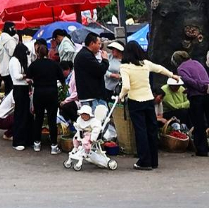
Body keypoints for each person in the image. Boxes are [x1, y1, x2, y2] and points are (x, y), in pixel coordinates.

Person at [120, 42, 179, 170]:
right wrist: (172, 75)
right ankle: (153, 161)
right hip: (148, 100)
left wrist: (121, 96)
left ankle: (144, 161)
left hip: (135, 101)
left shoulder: (125, 67)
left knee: (140, 131)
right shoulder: (146, 64)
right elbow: (160, 68)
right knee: (151, 129)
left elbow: (126, 86)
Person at [27, 40, 65, 154]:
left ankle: (37, 143)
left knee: (38, 118)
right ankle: (54, 145)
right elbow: (62, 79)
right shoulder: (54, 64)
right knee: (52, 119)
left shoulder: (34, 64)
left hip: (39, 93)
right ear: (48, 53)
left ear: (37, 53)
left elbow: (28, 79)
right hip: (52, 92)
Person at [171, 50, 209, 157]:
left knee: (199, 123)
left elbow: (189, 80)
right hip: (207, 94)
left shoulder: (181, 68)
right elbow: (204, 77)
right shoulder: (197, 63)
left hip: (196, 97)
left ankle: (202, 150)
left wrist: (199, 87)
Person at [73, 33, 109, 111]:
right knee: (97, 118)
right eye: (99, 44)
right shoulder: (86, 56)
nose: (100, 46)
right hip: (91, 98)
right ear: (92, 43)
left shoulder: (85, 54)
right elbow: (100, 70)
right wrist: (105, 60)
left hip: (91, 96)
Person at [9, 40, 33, 150]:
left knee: (26, 115)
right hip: (19, 88)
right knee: (20, 114)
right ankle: (18, 140)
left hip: (24, 88)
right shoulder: (14, 61)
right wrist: (26, 76)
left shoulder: (20, 60)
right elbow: (17, 76)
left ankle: (27, 139)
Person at [0, 23, 19, 95]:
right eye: (14, 28)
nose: (15, 30)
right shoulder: (9, 40)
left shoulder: (0, 38)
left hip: (3, 69)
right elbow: (14, 52)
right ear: (10, 28)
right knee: (12, 91)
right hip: (10, 69)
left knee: (8, 90)